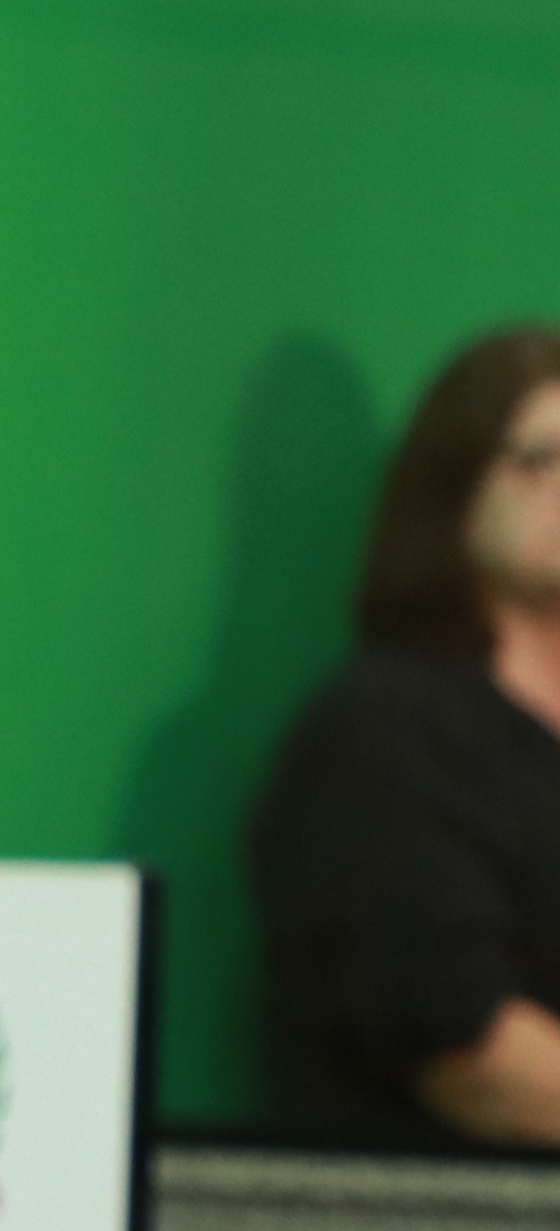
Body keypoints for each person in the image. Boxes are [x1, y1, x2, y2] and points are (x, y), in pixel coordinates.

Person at [255, 325, 560, 1146]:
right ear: (454, 485)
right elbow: (475, 1054)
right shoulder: (378, 733)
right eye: (542, 459)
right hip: (443, 1214)